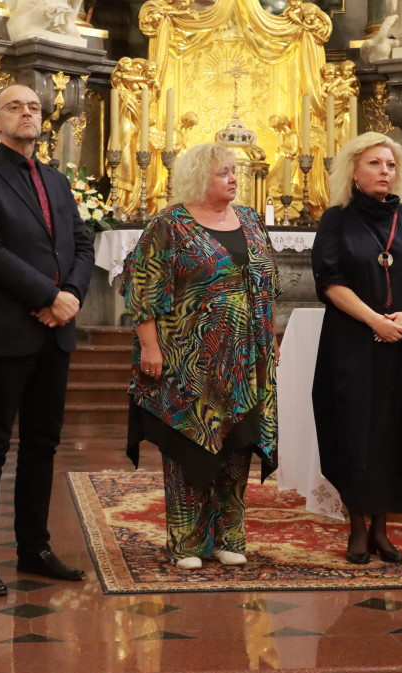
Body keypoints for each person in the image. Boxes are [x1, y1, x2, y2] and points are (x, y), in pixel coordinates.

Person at [0, 82, 94, 595]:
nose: (26, 114)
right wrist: (46, 296)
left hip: (56, 331)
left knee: (42, 444)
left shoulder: (56, 181)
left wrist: (72, 295)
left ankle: (34, 547)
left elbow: (81, 241)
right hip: (7, 331)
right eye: (15, 107)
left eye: (34, 107)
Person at [122, 142, 281, 569]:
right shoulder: (169, 225)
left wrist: (269, 336)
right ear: (198, 178)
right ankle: (187, 542)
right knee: (190, 449)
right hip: (188, 362)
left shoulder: (249, 220)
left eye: (233, 171)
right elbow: (142, 290)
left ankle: (230, 536)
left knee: (239, 447)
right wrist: (150, 346)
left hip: (247, 362)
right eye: (223, 173)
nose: (233, 178)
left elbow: (266, 283)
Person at [310, 132, 402, 565]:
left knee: (396, 428)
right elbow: (328, 281)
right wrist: (374, 321)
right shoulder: (336, 220)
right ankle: (356, 528)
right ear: (353, 170)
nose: (385, 171)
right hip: (352, 343)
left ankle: (383, 528)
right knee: (354, 430)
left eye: (390, 165)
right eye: (375, 164)